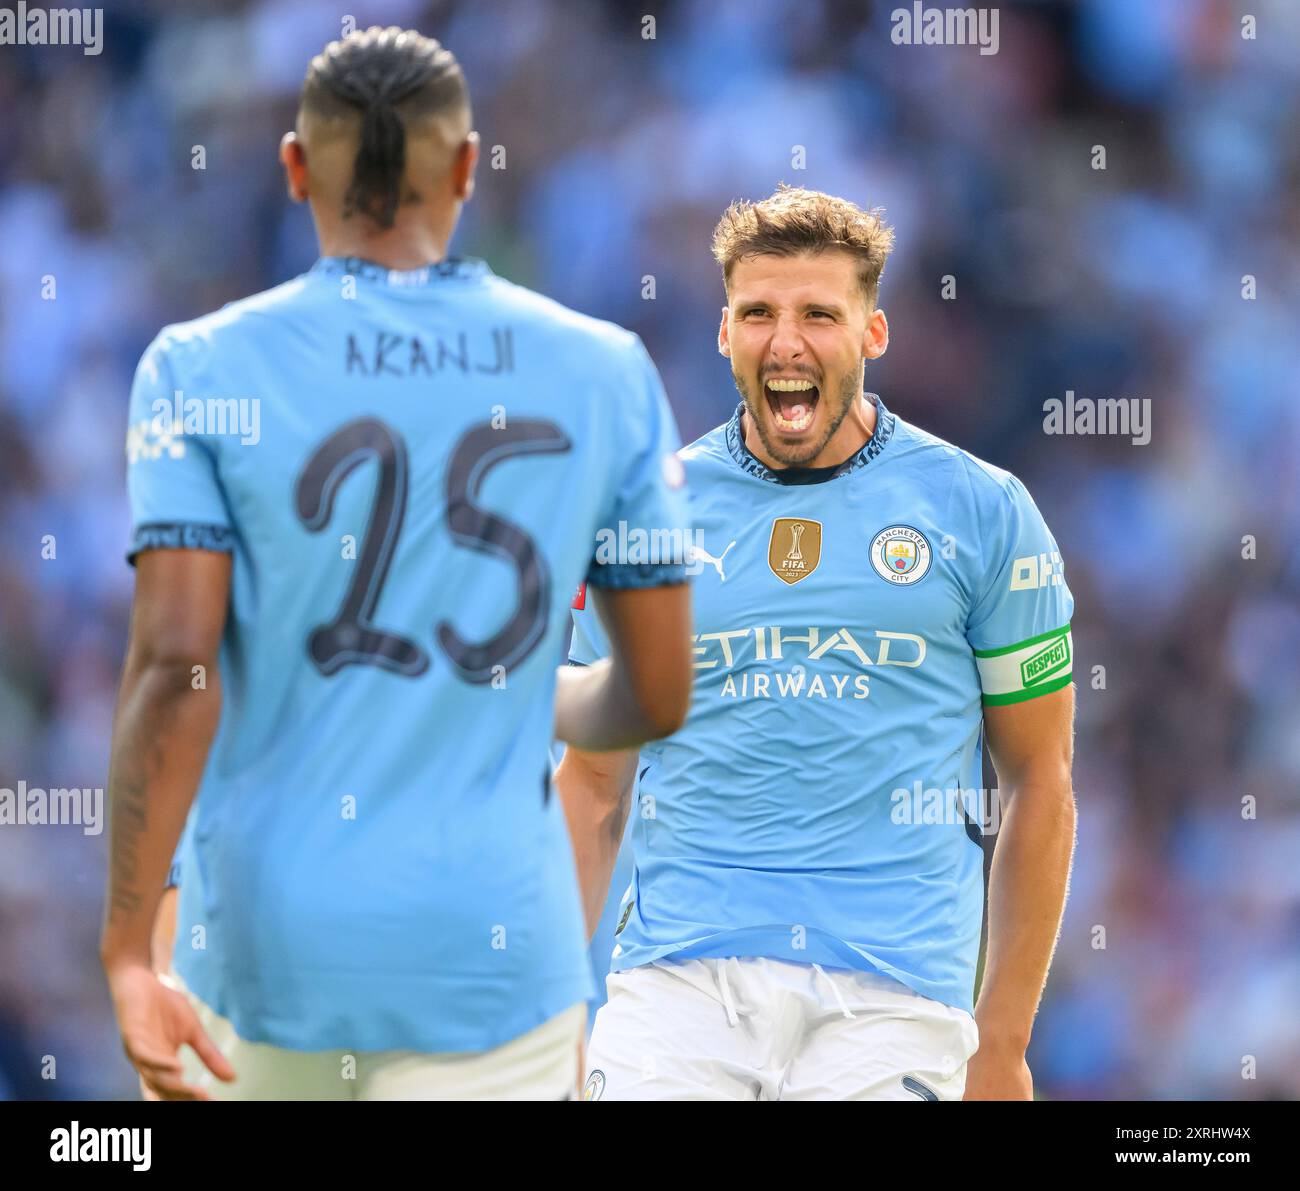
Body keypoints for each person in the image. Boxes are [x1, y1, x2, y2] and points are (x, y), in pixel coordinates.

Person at [100, 26, 691, 1101]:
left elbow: (174, 667)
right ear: (467, 167)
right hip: (493, 948)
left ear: (293, 169)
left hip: (262, 948)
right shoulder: (603, 369)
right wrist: (523, 695)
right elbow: (657, 693)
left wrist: (129, 950)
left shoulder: (196, 368)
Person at [559, 185, 1076, 1101]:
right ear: (724, 333)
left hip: (895, 994)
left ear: (872, 334)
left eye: (818, 315)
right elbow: (595, 783)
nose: (785, 342)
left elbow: (1040, 781)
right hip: (677, 985)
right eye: (757, 312)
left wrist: (1003, 1041)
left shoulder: (982, 513)